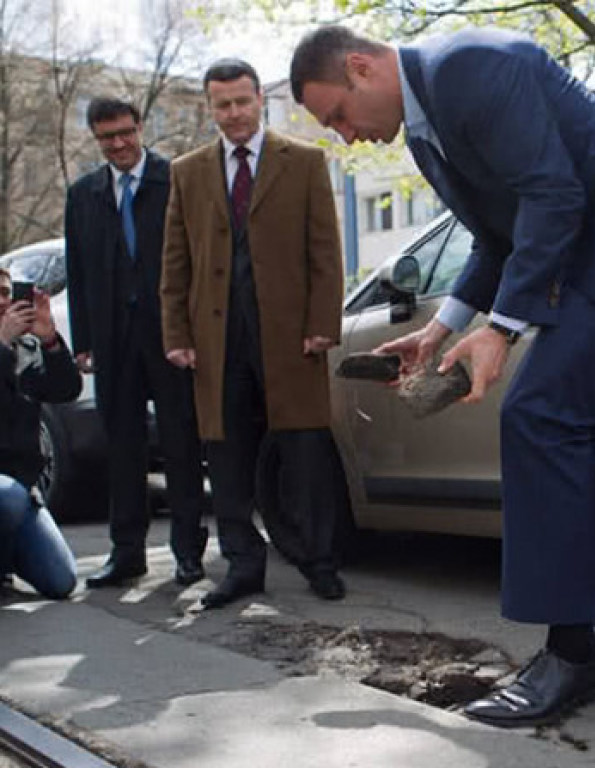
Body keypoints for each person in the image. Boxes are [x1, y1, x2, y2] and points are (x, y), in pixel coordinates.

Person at [289, 26, 595, 727]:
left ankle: (572, 656)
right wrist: (440, 331)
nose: (346, 137)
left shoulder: (468, 67)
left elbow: (554, 196)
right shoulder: (424, 131)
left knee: (538, 416)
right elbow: (497, 238)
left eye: (338, 117)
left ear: (360, 68)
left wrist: (501, 331)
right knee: (579, 428)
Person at [161, 59, 345, 609]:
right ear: (209, 108)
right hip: (217, 341)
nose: (234, 113)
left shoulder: (304, 162)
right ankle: (243, 564)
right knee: (227, 455)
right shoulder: (188, 172)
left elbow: (325, 255)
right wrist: (177, 332)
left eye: (242, 101)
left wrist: (321, 326)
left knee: (305, 453)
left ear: (259, 99)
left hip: (291, 338)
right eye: (223, 104)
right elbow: (175, 263)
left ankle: (319, 560)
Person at [65, 98, 208, 590]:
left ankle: (188, 553)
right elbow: (78, 272)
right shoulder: (83, 195)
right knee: (122, 448)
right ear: (95, 138)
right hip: (112, 341)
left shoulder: (176, 180)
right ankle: (126, 553)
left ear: (140, 127)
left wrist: (194, 331)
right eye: (108, 137)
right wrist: (83, 340)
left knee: (181, 444)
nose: (119, 144)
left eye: (126, 133)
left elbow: (198, 257)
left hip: (170, 337)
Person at [0, 267, 79, 600]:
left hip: (23, 489)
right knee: (8, 496)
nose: (4, 301)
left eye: (7, 292)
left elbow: (66, 390)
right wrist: (1, 344)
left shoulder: (27, 347)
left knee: (61, 581)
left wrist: (50, 342)